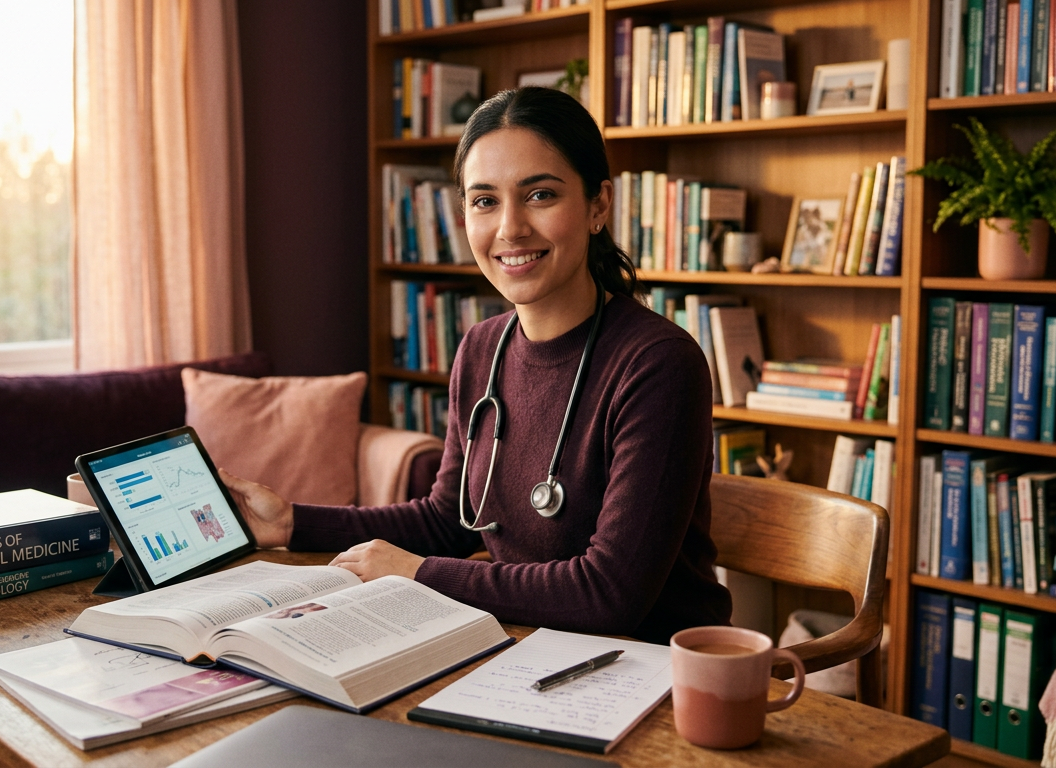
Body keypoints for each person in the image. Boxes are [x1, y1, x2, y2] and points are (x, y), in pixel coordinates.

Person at [222, 87, 731, 644]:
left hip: (649, 673)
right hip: (519, 646)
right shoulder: (482, 348)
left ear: (598, 206)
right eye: (485, 200)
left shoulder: (659, 365)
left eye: (539, 194)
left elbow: (608, 595)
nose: (510, 229)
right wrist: (292, 522)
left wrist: (417, 574)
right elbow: (446, 520)